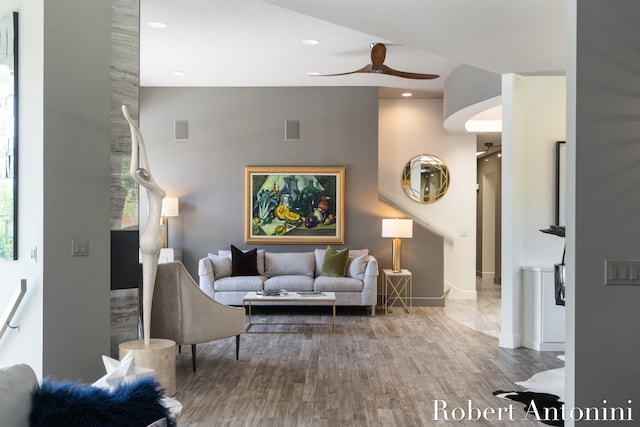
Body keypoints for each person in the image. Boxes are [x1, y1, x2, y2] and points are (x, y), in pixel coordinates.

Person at [122, 105, 166, 346]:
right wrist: (133, 128)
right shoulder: (153, 188)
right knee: (148, 284)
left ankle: (147, 337)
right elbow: (134, 169)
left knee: (148, 285)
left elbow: (142, 163)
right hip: (152, 237)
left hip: (152, 237)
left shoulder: (154, 186)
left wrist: (135, 129)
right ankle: (147, 338)